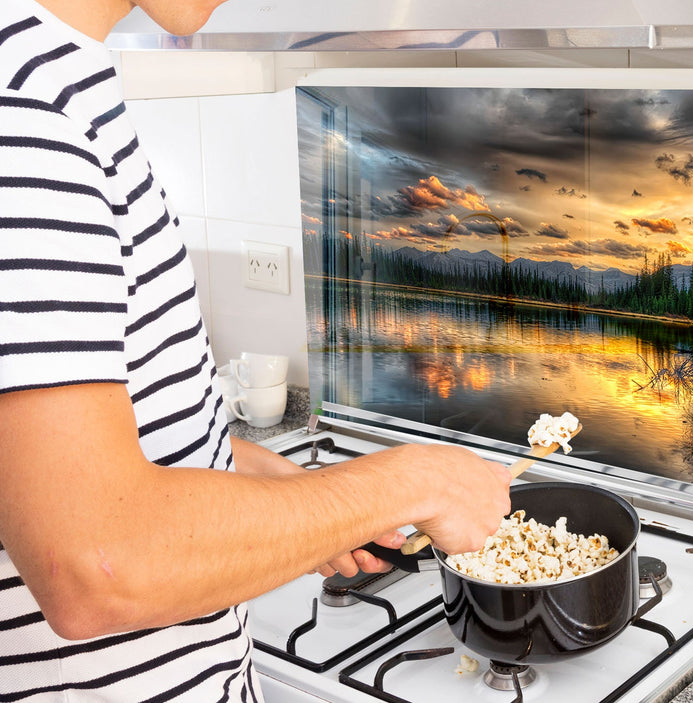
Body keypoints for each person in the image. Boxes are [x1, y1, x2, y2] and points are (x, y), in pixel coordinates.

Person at [0, 0, 512, 699]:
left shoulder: (55, 80)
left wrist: (300, 499)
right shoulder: (23, 115)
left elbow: (92, 452)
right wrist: (416, 480)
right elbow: (95, 564)